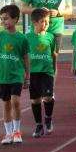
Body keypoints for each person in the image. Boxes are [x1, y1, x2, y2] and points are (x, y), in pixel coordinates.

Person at [0, 4, 30, 145]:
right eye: (1, 19)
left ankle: (17, 131)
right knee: (6, 104)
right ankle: (7, 133)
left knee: (15, 102)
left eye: (6, 18)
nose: (3, 22)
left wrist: (27, 76)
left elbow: (26, 57)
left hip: (17, 75)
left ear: (16, 19)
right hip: (3, 76)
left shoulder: (22, 38)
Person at [26, 8, 57, 137]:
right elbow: (25, 56)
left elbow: (53, 54)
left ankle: (48, 118)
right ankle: (39, 125)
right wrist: (25, 74)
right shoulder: (27, 38)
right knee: (35, 100)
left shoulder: (50, 37)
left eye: (47, 22)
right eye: (43, 22)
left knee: (48, 97)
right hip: (33, 73)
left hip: (47, 72)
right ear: (34, 22)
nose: (46, 25)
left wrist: (54, 70)